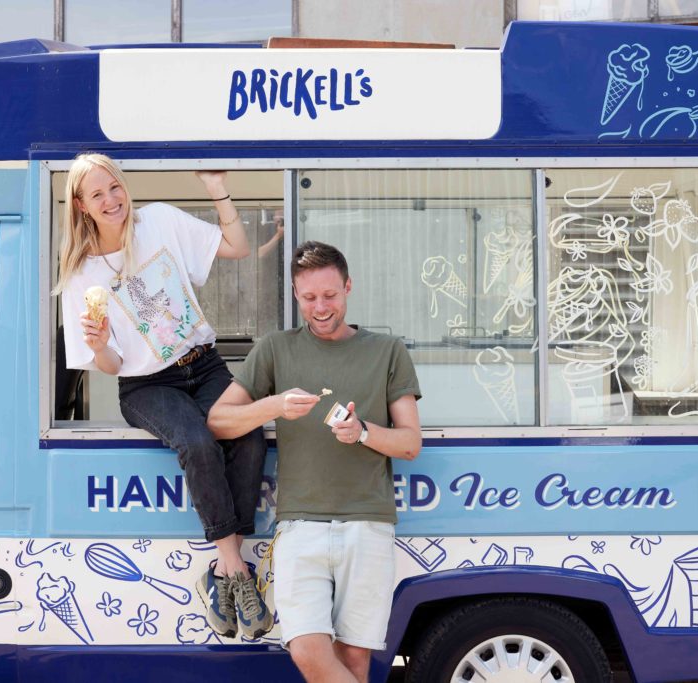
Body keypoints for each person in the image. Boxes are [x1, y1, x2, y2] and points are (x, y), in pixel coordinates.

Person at [53, 153, 273, 640]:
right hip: (146, 386)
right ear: (81, 204)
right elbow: (110, 367)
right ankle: (236, 570)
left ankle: (219, 575)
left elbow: (237, 245)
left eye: (114, 187)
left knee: (252, 437)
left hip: (205, 365)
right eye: (97, 194)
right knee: (197, 442)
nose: (111, 200)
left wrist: (217, 185)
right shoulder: (80, 276)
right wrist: (97, 344)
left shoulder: (160, 221)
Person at [207, 241, 422, 683]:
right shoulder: (275, 349)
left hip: (368, 523)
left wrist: (362, 431)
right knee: (306, 649)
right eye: (309, 298)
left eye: (330, 295)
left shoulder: (387, 350)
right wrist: (275, 406)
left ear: (348, 288)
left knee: (355, 662)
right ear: (295, 295)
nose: (320, 307)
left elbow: (409, 443)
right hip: (300, 525)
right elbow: (218, 422)